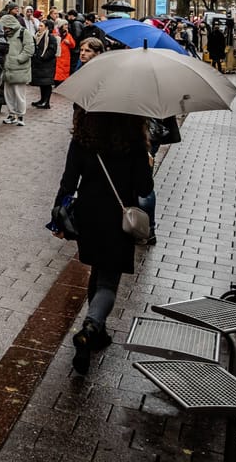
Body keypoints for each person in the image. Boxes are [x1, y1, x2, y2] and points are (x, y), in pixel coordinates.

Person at [50, 109, 154, 375]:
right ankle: (91, 327)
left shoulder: (84, 138)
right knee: (108, 279)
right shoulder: (134, 140)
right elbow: (144, 189)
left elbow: (68, 182)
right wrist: (147, 163)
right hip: (117, 218)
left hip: (88, 214)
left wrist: (57, 218)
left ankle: (99, 332)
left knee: (97, 267)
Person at [0, 12, 34, 126]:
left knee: (19, 94)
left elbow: (29, 49)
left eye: (5, 26)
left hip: (19, 69)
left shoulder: (23, 32)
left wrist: (18, 59)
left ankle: (20, 115)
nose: (4, 29)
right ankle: (11, 114)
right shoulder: (5, 35)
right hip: (7, 69)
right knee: (8, 94)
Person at [30, 20, 58, 109]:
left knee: (47, 83)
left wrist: (43, 57)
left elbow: (52, 50)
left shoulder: (50, 37)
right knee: (42, 83)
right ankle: (42, 100)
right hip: (39, 64)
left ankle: (46, 102)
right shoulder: (37, 36)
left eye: (41, 26)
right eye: (39, 26)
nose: (39, 27)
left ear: (46, 27)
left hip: (47, 64)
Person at [54, 21, 77, 86]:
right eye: (65, 25)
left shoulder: (68, 35)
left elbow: (73, 45)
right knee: (57, 69)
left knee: (64, 70)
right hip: (58, 54)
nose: (67, 26)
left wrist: (69, 43)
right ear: (61, 26)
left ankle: (62, 83)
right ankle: (56, 82)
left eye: (67, 25)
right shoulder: (56, 33)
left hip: (65, 55)